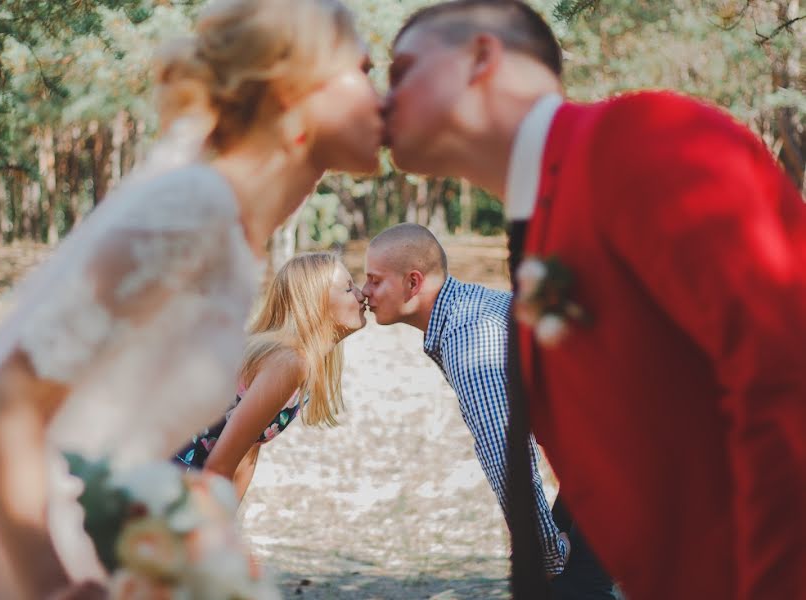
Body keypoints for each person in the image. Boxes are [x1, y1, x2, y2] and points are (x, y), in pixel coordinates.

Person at [0, 0, 383, 597]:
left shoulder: (235, 239)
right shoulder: (191, 213)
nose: (383, 97)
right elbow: (7, 404)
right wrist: (53, 583)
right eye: (362, 71)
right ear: (293, 92)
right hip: (12, 545)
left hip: (98, 530)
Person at [383, 1, 806, 599]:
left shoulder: (642, 138)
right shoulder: (537, 228)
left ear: (480, 56)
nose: (382, 98)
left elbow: (789, 368)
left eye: (401, 70)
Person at [362, 223, 615, 599]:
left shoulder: (467, 335)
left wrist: (545, 554)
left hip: (629, 443)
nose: (365, 291)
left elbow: (505, 451)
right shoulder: (468, 308)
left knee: (574, 586)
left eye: (374, 280)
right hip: (606, 445)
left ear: (413, 283)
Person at [173, 252, 366, 499]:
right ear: (316, 302)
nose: (361, 295)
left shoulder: (302, 364)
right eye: (348, 289)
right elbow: (219, 465)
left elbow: (248, 449)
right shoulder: (288, 363)